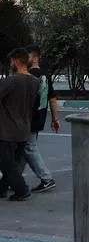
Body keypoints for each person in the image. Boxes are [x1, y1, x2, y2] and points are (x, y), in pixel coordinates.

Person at [0, 49, 38, 202]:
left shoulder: (12, 81)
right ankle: (2, 188)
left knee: (7, 163)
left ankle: (22, 190)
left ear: (16, 61)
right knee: (12, 162)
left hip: (7, 129)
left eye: (11, 61)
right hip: (24, 127)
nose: (10, 64)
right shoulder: (34, 82)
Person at [25, 46, 60, 193]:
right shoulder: (45, 74)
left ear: (33, 58)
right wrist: (54, 119)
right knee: (23, 148)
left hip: (29, 117)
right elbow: (52, 99)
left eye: (26, 56)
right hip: (40, 117)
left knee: (29, 147)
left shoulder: (28, 76)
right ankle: (11, 179)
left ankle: (46, 178)